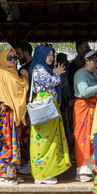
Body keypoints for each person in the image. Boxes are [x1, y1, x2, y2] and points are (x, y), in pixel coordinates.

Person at [29, 44, 71, 184]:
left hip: (49, 106)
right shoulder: (38, 69)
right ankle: (42, 174)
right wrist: (57, 74)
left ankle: (46, 173)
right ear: (41, 55)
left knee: (50, 141)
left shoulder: (45, 68)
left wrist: (55, 73)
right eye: (48, 55)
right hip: (44, 106)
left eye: (53, 55)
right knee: (44, 141)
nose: (51, 58)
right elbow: (50, 82)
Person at [0, 48, 29, 185]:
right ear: (3, 58)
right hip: (4, 116)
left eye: (15, 58)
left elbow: (22, 91)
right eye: (9, 57)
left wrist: (25, 78)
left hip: (14, 117)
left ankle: (12, 172)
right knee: (5, 145)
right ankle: (3, 174)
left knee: (14, 144)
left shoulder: (16, 74)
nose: (12, 60)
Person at [73, 49, 97, 182]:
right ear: (86, 60)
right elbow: (84, 92)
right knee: (83, 138)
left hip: (92, 108)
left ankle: (93, 168)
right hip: (83, 108)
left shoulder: (91, 73)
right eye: (94, 61)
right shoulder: (80, 74)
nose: (96, 64)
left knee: (94, 139)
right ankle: (82, 170)